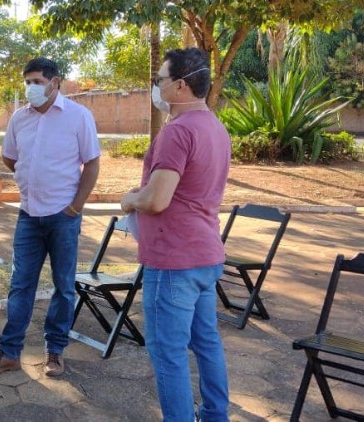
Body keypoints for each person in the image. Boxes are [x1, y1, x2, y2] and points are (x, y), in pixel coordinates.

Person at [120, 48, 231, 422]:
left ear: (181, 85)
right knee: (206, 342)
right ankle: (215, 415)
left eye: (160, 80)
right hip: (205, 255)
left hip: (173, 261)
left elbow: (156, 200)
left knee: (168, 353)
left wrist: (130, 199)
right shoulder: (214, 127)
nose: (156, 86)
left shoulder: (178, 131)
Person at [0, 57, 100, 378]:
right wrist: (30, 172)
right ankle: (9, 353)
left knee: (63, 287)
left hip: (63, 217)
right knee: (20, 285)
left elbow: (92, 164)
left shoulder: (78, 116)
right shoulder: (20, 118)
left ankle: (55, 352)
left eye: (37, 82)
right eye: (28, 82)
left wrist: (74, 207)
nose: (31, 88)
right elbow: (9, 156)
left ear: (55, 82)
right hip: (29, 215)